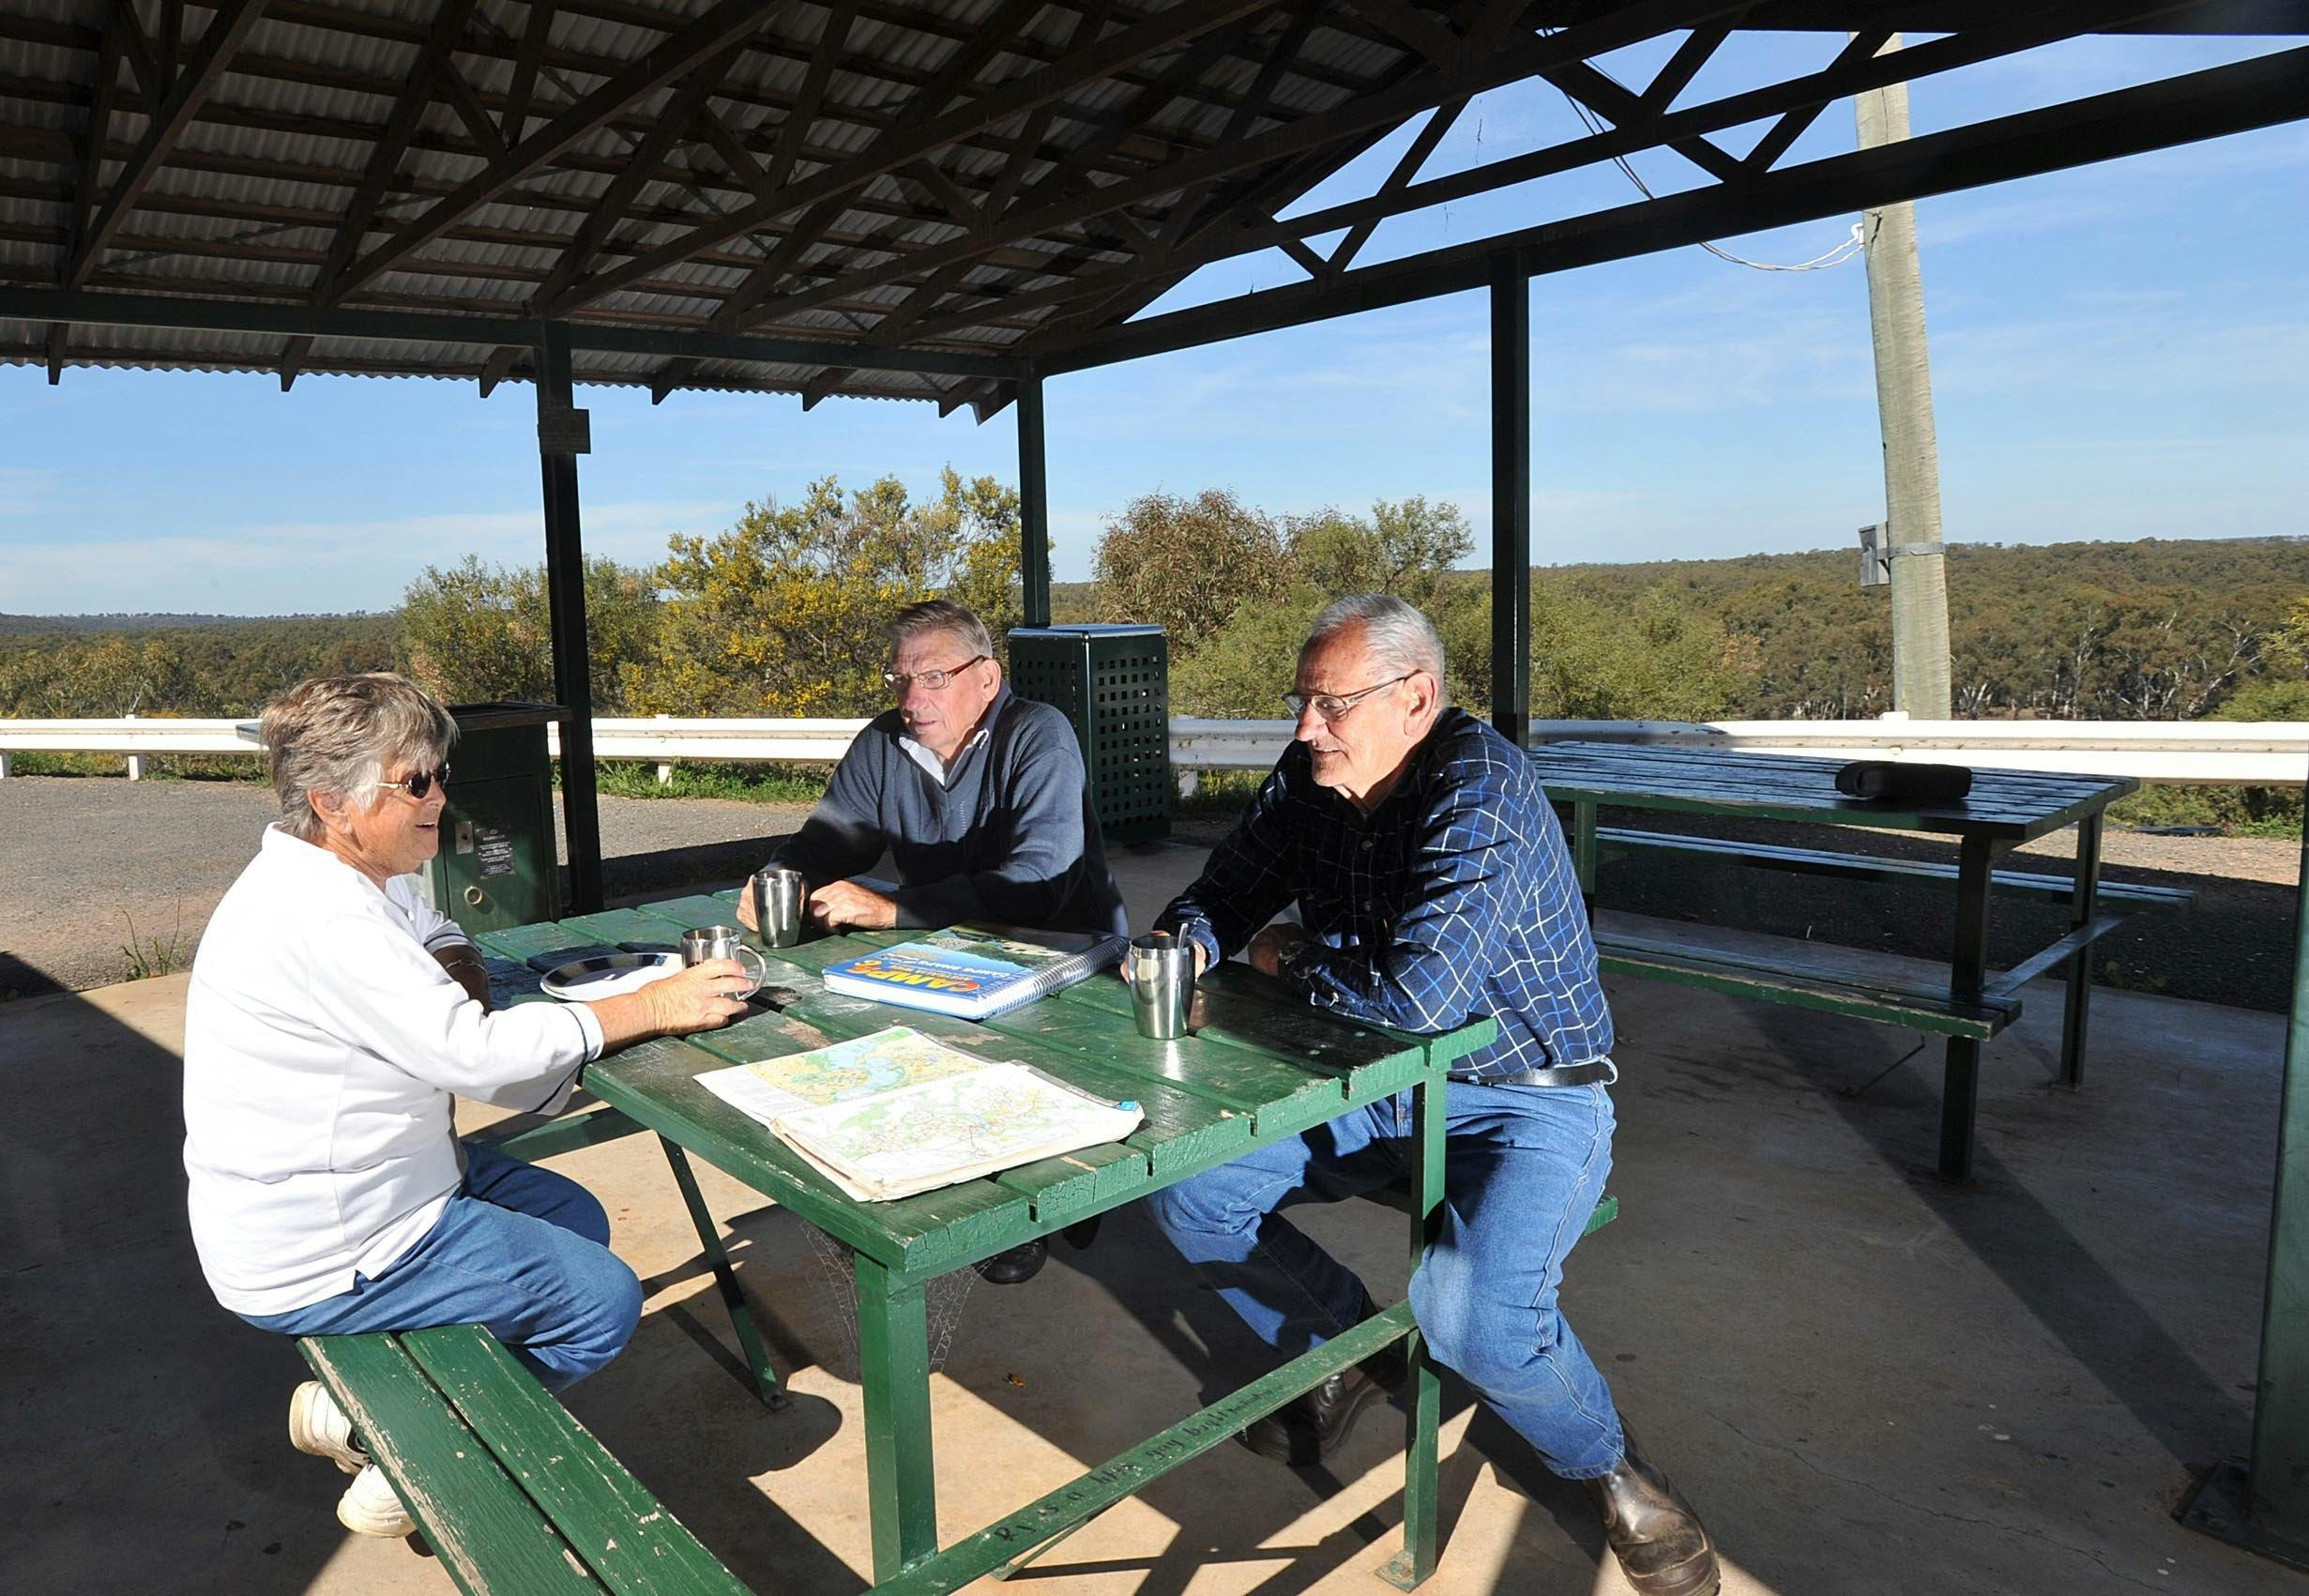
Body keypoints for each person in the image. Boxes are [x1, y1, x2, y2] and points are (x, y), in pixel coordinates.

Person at [1142, 596, 1720, 1596]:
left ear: (1416, 698)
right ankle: (1350, 1346)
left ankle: (1613, 1467)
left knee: (1476, 1323)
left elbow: (1419, 1001)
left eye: (1330, 706)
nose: (1302, 729)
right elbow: (1224, 888)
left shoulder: (1480, 785)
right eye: (1300, 702)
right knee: (1191, 1186)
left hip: (1524, 1093)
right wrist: (1184, 942)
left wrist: (1283, 959)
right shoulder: (1310, 774)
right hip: (1369, 1076)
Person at [184, 673, 752, 1541]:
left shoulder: (349, 871)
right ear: (334, 802)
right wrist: (649, 1005)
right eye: (415, 780)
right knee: (602, 1302)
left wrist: (455, 973)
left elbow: (438, 929)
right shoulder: (324, 918)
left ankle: (377, 1402)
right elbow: (476, 1057)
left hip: (368, 1188)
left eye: (437, 773)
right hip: (327, 1240)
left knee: (572, 1213)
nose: (439, 795)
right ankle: (405, 1444)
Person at [737, 598, 1129, 1284]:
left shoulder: (1038, 734)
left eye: (934, 678)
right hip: (944, 949)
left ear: (986, 675)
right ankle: (986, 1184)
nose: (912, 698)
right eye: (899, 680)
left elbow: (1041, 880)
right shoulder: (883, 743)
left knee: (1010, 1065)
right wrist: (778, 878)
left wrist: (893, 910)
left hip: (1062, 948)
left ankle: (1038, 1198)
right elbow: (826, 842)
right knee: (881, 1045)